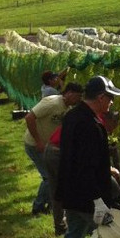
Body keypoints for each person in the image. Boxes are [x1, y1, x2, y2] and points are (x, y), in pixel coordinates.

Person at [50, 75, 120, 238]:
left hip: (71, 193)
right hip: (87, 197)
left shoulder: (73, 116)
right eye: (110, 98)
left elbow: (75, 159)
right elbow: (87, 166)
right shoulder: (91, 125)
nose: (111, 103)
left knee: (74, 236)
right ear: (101, 98)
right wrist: (98, 202)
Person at [23, 81, 82, 216]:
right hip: (34, 145)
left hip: (48, 147)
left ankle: (50, 205)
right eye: (77, 96)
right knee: (48, 177)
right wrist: (38, 141)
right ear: (69, 93)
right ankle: (37, 207)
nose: (78, 100)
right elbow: (29, 117)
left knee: (54, 176)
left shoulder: (68, 109)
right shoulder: (52, 103)